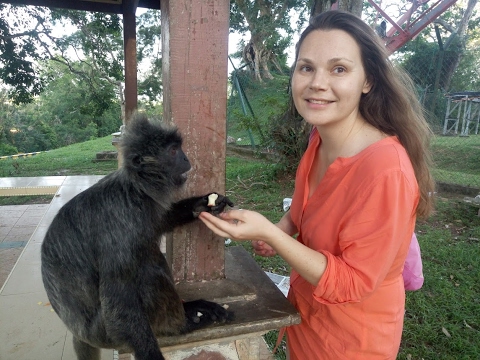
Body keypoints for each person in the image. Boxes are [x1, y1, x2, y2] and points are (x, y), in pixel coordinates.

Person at [199, 10, 435, 360]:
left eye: (338, 69)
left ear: (367, 80)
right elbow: (307, 202)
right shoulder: (319, 138)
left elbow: (353, 283)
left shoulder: (386, 171)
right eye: (306, 67)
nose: (317, 83)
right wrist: (283, 226)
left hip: (352, 341)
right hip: (307, 317)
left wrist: (275, 236)